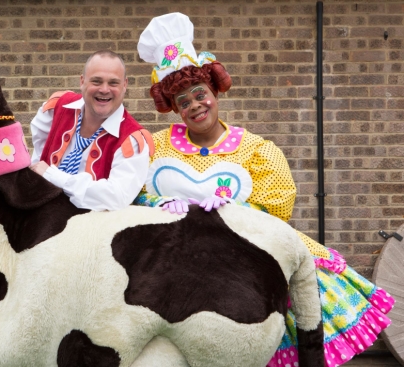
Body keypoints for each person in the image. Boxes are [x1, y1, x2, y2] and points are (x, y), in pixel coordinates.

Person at [135, 13, 395, 367]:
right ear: (176, 109)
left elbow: (276, 208)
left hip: (242, 252)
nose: (195, 105)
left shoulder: (256, 148)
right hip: (175, 257)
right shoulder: (157, 146)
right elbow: (132, 191)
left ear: (215, 92)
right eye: (184, 101)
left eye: (200, 94)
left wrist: (231, 211)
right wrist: (156, 200)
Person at [29, 50, 154, 211]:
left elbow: (115, 198)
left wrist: (55, 177)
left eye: (113, 83)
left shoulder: (133, 140)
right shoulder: (57, 107)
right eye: (96, 81)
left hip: (90, 230)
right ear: (82, 81)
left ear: (125, 85)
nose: (104, 89)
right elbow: (38, 155)